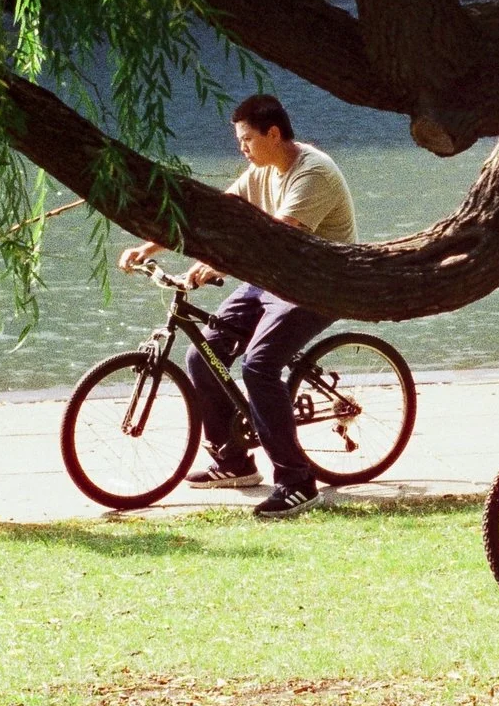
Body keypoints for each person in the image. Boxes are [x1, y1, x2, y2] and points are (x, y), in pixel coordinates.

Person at [117, 94, 356, 520]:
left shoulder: (313, 173)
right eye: (240, 140)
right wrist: (147, 247)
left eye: (247, 139)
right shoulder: (261, 170)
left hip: (319, 284)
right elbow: (209, 215)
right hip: (273, 278)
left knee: (259, 365)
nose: (241, 147)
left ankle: (297, 481)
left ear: (273, 134)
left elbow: (276, 238)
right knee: (202, 356)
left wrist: (217, 263)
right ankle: (233, 460)